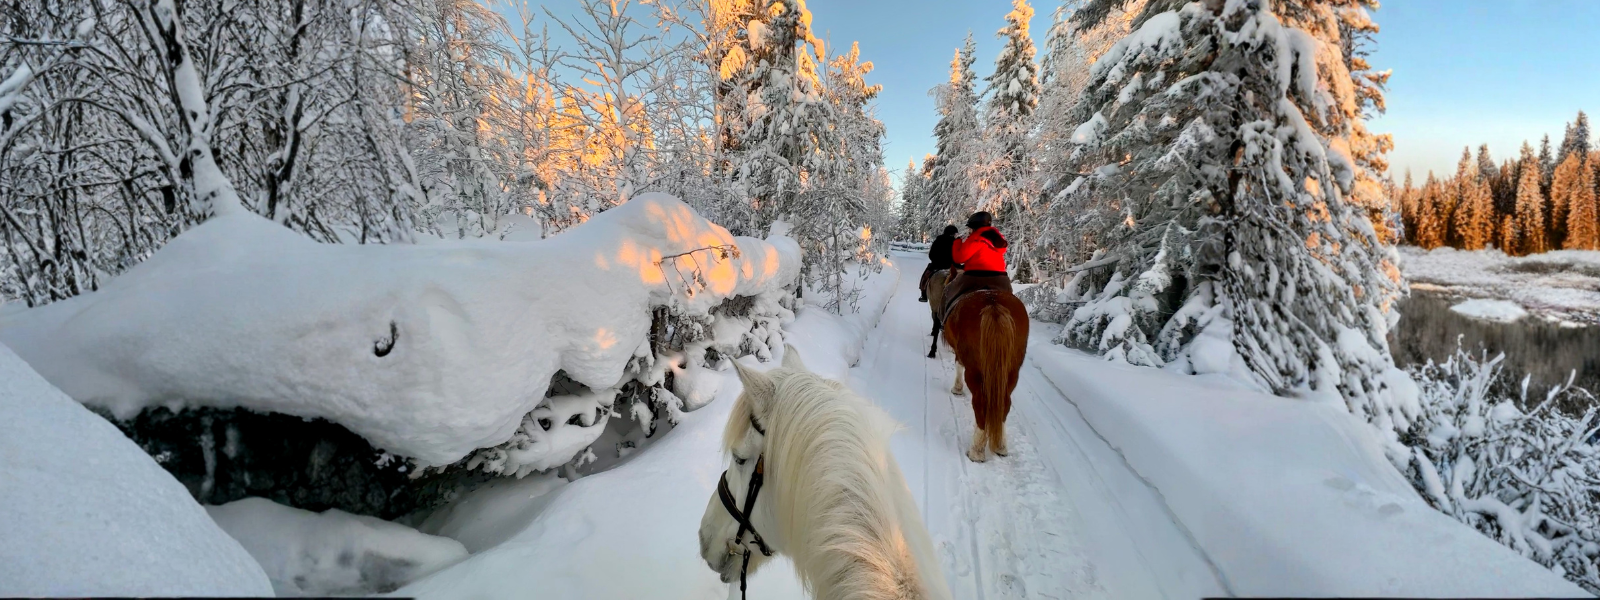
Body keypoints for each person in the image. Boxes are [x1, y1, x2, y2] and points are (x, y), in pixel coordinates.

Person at [942, 211, 1012, 317]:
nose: (969, 231)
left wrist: (957, 242)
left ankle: (944, 319)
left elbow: (959, 258)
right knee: (1010, 300)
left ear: (975, 227)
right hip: (1001, 278)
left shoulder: (976, 238)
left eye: (970, 229)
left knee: (949, 291)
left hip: (975, 278)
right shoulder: (998, 238)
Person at [918, 225, 959, 302]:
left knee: (925, 277)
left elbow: (931, 255)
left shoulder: (938, 240)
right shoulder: (956, 242)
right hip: (952, 266)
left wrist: (937, 261)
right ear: (954, 234)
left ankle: (923, 294)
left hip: (937, 265)